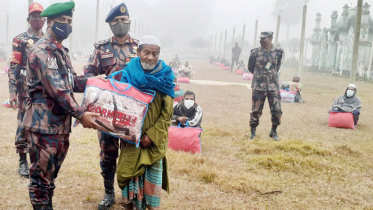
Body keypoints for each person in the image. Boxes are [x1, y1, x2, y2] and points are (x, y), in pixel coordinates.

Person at [23, 2, 102, 209]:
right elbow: (58, 90)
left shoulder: (61, 51)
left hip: (58, 127)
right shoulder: (42, 51)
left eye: (69, 21)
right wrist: (81, 114)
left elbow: (71, 82)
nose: (66, 25)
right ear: (49, 22)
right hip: (43, 128)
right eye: (61, 21)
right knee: (41, 181)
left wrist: (99, 81)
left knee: (50, 179)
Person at [82, 3, 139, 209]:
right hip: (107, 110)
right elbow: (88, 74)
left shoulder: (139, 48)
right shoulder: (101, 48)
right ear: (110, 25)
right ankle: (108, 193)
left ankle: (130, 194)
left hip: (132, 111)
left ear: (129, 21)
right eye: (116, 22)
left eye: (124, 20)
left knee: (132, 152)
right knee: (108, 153)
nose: (121, 24)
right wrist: (98, 79)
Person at [115, 35, 174, 210]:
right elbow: (120, 102)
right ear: (138, 51)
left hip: (154, 143)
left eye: (155, 53)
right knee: (128, 185)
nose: (150, 57)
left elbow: (167, 114)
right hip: (131, 138)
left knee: (151, 193)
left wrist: (152, 135)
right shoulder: (128, 72)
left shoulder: (166, 76)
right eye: (146, 52)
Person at [7, 2, 45, 178]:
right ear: (29, 19)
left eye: (40, 16)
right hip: (25, 89)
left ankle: (36, 160)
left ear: (44, 19)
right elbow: (14, 66)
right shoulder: (20, 39)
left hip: (44, 90)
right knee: (23, 124)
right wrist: (13, 91)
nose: (37, 20)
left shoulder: (48, 39)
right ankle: (22, 161)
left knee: (40, 125)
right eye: (34, 17)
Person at [248, 31, 284, 141]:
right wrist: (260, 76)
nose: (262, 41)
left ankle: (273, 131)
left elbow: (277, 67)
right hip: (259, 86)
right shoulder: (255, 52)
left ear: (271, 39)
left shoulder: (278, 52)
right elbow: (251, 67)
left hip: (273, 86)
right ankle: (253, 132)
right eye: (261, 39)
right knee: (256, 111)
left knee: (277, 110)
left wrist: (270, 76)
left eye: (265, 39)